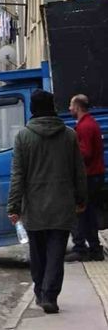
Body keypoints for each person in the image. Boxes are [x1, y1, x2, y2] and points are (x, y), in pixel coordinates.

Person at [8, 90, 87, 314]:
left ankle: (41, 291)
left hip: (34, 207)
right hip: (62, 205)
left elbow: (17, 175)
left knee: (38, 253)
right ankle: (50, 295)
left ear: (33, 109)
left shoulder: (23, 136)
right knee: (56, 253)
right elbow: (78, 172)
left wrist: (13, 206)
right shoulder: (69, 135)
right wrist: (81, 198)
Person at [66, 94, 106, 262]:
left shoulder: (85, 127)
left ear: (78, 107)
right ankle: (94, 249)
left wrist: (69, 157)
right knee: (88, 213)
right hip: (94, 175)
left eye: (71, 105)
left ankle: (82, 248)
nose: (69, 108)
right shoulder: (89, 124)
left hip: (89, 176)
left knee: (81, 212)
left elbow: (85, 153)